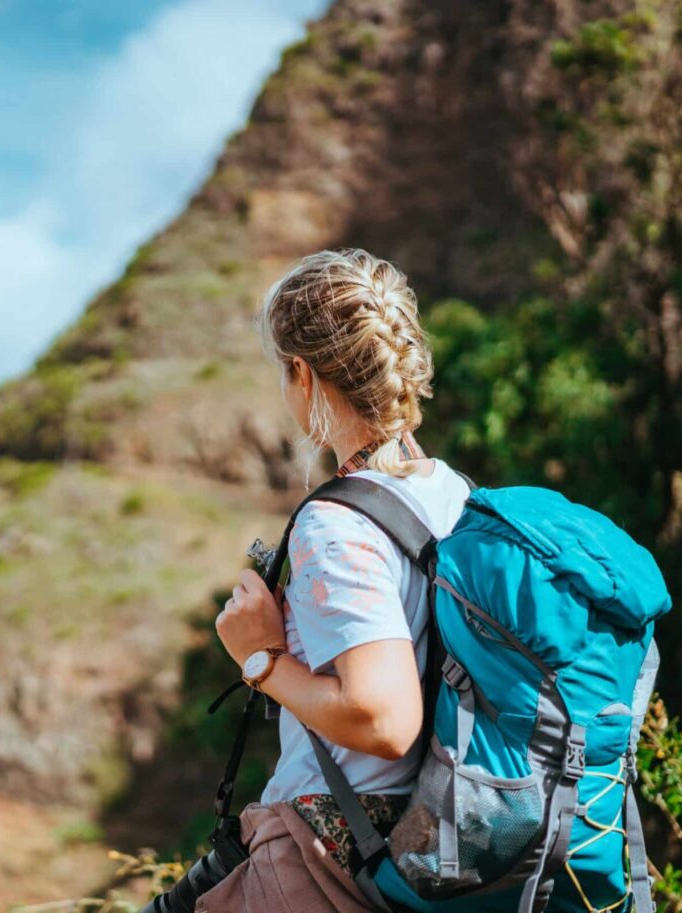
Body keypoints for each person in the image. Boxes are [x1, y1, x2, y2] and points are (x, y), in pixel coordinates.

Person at [203, 247, 472, 913]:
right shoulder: (458, 497)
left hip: (330, 862)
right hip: (438, 844)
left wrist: (260, 657)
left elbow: (382, 718)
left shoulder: (335, 523)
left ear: (302, 373)